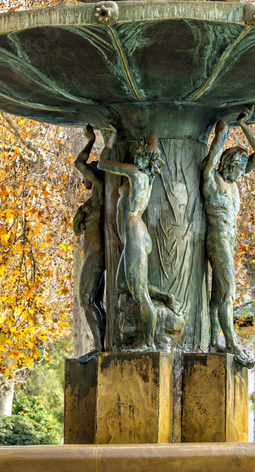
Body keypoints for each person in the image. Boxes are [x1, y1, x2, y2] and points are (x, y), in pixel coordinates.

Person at [98, 127, 177, 349]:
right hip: (133, 234)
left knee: (140, 294)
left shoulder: (134, 173)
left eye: (139, 149)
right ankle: (166, 297)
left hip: (134, 232)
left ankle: (149, 344)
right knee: (122, 286)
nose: (135, 152)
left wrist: (110, 139)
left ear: (144, 154)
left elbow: (103, 164)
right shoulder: (146, 178)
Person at [201, 109, 255, 367]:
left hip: (229, 241)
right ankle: (231, 343)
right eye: (237, 165)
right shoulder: (212, 179)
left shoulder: (235, 182)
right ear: (227, 163)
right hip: (216, 238)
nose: (241, 170)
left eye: (243, 166)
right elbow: (210, 160)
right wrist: (222, 133)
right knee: (228, 291)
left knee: (218, 296)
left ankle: (212, 339)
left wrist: (243, 125)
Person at [72, 125, 106, 355]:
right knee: (95, 301)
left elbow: (79, 164)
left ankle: (101, 348)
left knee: (86, 299)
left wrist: (91, 140)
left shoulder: (101, 191)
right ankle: (103, 346)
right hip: (95, 254)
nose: (84, 177)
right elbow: (76, 230)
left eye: (88, 174)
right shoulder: (93, 201)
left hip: (97, 255)